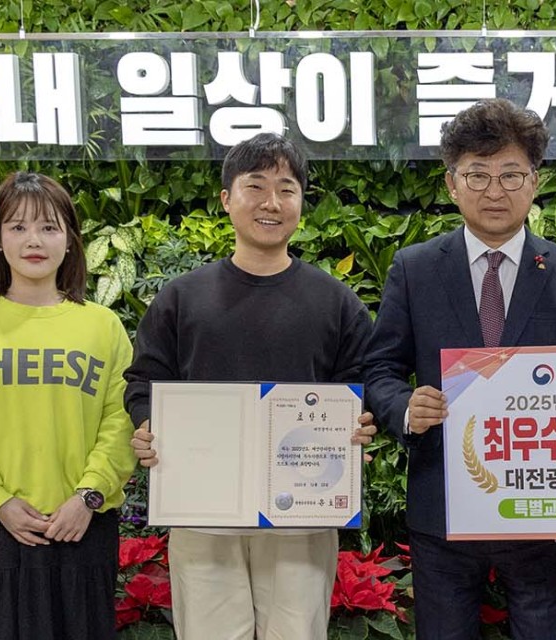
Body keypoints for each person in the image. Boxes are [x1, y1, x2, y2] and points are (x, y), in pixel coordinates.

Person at [361, 97, 556, 639]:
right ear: (452, 184)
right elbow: (380, 368)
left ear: (535, 182)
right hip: (443, 505)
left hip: (543, 510)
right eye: (478, 175)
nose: (495, 191)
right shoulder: (415, 268)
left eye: (511, 175)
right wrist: (406, 408)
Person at [123, 133, 378, 640]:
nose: (271, 202)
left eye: (286, 189)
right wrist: (149, 426)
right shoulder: (181, 298)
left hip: (303, 511)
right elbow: (143, 381)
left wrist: (361, 429)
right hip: (202, 509)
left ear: (301, 203)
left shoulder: (336, 302)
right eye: (255, 186)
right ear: (226, 198)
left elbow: (364, 385)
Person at [0, 171, 136, 638]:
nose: (33, 240)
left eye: (49, 227)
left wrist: (88, 496)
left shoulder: (103, 326)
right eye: (17, 227)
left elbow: (121, 422)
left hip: (81, 526)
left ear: (70, 240)